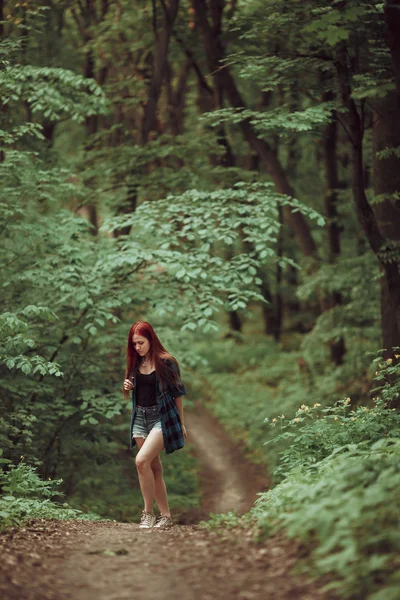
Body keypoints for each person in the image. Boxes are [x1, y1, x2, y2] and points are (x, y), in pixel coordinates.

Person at [123, 321, 187, 529]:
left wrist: (181, 423)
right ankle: (165, 516)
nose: (137, 347)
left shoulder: (167, 362)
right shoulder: (135, 363)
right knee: (153, 467)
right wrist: (127, 386)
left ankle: (147, 513)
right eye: (134, 344)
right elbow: (135, 393)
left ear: (151, 339)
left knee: (141, 461)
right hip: (140, 418)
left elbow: (178, 394)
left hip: (161, 418)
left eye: (140, 343)